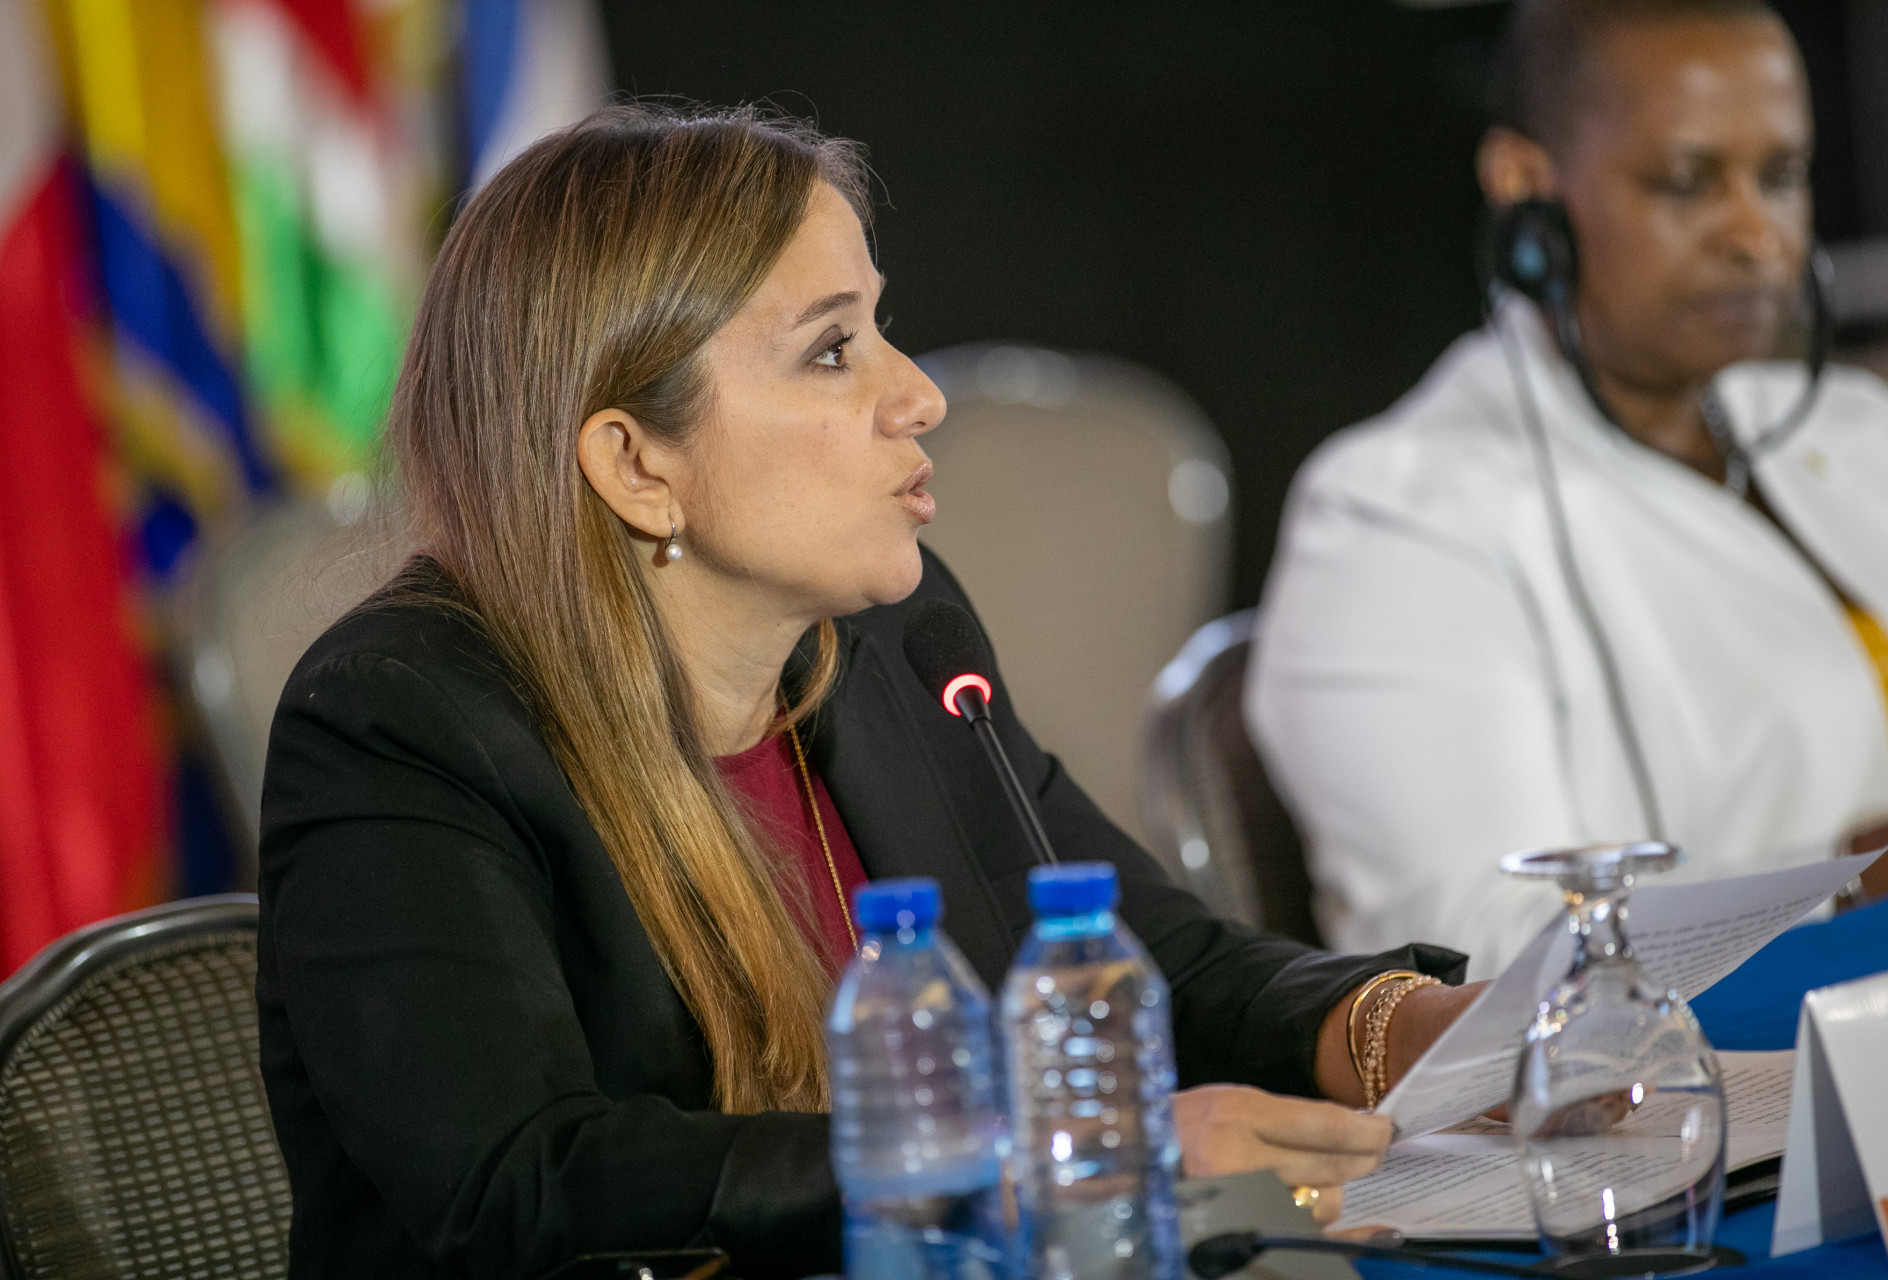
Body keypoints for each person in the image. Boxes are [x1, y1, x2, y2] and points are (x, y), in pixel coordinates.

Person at [256, 104, 1479, 1280]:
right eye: (832, 350)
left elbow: (1157, 964)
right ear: (635, 462)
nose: (919, 396)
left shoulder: (889, 638)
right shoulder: (398, 720)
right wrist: (1036, 1164)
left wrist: (1410, 1029)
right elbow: (526, 1182)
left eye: (879, 328)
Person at [1247, 0, 1888, 981]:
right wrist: (1860, 885)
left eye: (1780, 176)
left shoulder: (1863, 428)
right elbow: (1464, 954)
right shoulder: (1395, 516)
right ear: (1525, 188)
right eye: (1687, 182)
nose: (1757, 235)